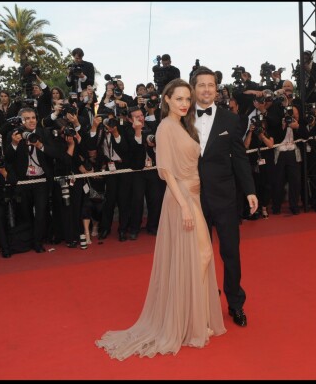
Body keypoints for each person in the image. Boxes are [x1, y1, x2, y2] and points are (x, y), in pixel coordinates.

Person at [95, 79, 226, 360]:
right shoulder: (166, 127)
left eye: (186, 99)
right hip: (181, 198)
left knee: (200, 256)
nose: (184, 103)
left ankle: (193, 318)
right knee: (198, 255)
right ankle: (187, 322)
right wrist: (185, 207)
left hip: (193, 195)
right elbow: (165, 171)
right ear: (166, 99)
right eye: (178, 98)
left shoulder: (183, 125)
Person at [191, 66, 258, 327]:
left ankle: (235, 303)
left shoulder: (231, 119)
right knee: (199, 254)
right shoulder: (182, 119)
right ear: (193, 88)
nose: (207, 89)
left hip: (226, 197)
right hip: (195, 199)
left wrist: (250, 190)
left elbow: (240, 158)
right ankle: (205, 300)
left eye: (211, 85)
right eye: (202, 85)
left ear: (216, 89)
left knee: (230, 252)